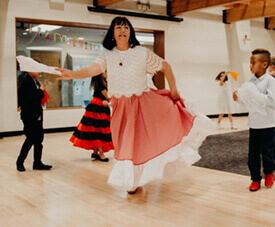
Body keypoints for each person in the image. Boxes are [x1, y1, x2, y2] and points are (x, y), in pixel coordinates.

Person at [57, 16, 212, 194]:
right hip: (119, 108)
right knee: (123, 145)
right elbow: (90, 70)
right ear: (112, 33)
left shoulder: (141, 52)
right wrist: (72, 74)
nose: (122, 30)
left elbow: (166, 67)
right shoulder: (107, 55)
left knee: (138, 144)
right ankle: (133, 180)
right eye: (118, 27)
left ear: (130, 32)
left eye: (126, 27)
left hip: (142, 105)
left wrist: (174, 90)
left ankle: (134, 181)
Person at [233, 49, 275, 192]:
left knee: (267, 153)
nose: (250, 66)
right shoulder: (250, 81)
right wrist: (238, 97)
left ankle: (269, 173)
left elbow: (271, 100)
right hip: (254, 124)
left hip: (267, 124)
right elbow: (247, 100)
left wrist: (254, 94)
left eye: (253, 63)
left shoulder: (270, 81)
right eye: (250, 63)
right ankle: (255, 179)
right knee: (252, 155)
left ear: (264, 64)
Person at [16, 61, 52, 172]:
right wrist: (41, 91)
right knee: (30, 139)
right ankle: (20, 162)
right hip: (29, 116)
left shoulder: (34, 80)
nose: (39, 71)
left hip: (36, 115)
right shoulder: (26, 81)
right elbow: (31, 98)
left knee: (39, 140)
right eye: (37, 69)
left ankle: (37, 162)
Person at [70, 72, 113, 161]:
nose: (107, 72)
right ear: (100, 73)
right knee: (99, 129)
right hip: (98, 107)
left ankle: (95, 152)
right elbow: (108, 97)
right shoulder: (100, 84)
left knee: (96, 128)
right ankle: (100, 153)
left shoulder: (102, 82)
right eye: (105, 71)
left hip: (98, 106)